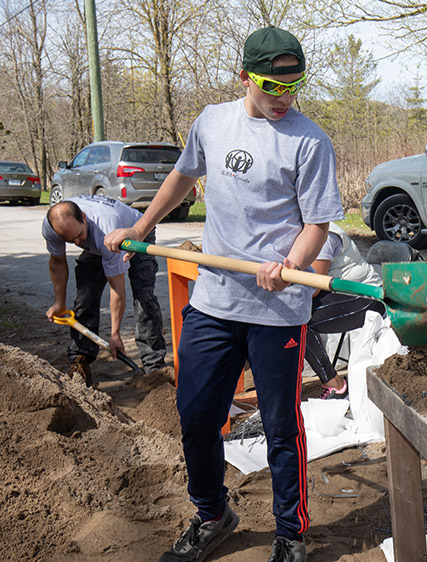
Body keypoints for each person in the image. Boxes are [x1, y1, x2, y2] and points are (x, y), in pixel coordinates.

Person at [104, 26, 343, 562]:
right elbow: (183, 177)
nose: (284, 98)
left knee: (282, 424)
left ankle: (290, 534)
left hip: (278, 308)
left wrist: (291, 264)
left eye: (294, 86)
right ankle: (212, 513)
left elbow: (318, 225)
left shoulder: (310, 141)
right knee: (195, 413)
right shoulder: (213, 121)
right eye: (271, 87)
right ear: (244, 77)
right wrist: (142, 227)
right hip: (214, 301)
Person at [42, 195, 167, 385]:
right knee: (85, 297)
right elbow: (58, 262)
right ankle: (80, 360)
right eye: (70, 240)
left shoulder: (105, 228)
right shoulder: (53, 226)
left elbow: (116, 286)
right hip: (99, 242)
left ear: (83, 217)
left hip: (136, 231)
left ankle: (154, 368)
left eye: (79, 235)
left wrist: (115, 334)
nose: (77, 242)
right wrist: (59, 302)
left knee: (144, 297)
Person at [306, 222, 384, 399]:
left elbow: (313, 287)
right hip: (340, 294)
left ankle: (335, 384)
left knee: (300, 319)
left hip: (366, 296)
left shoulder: (323, 233)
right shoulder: (299, 232)